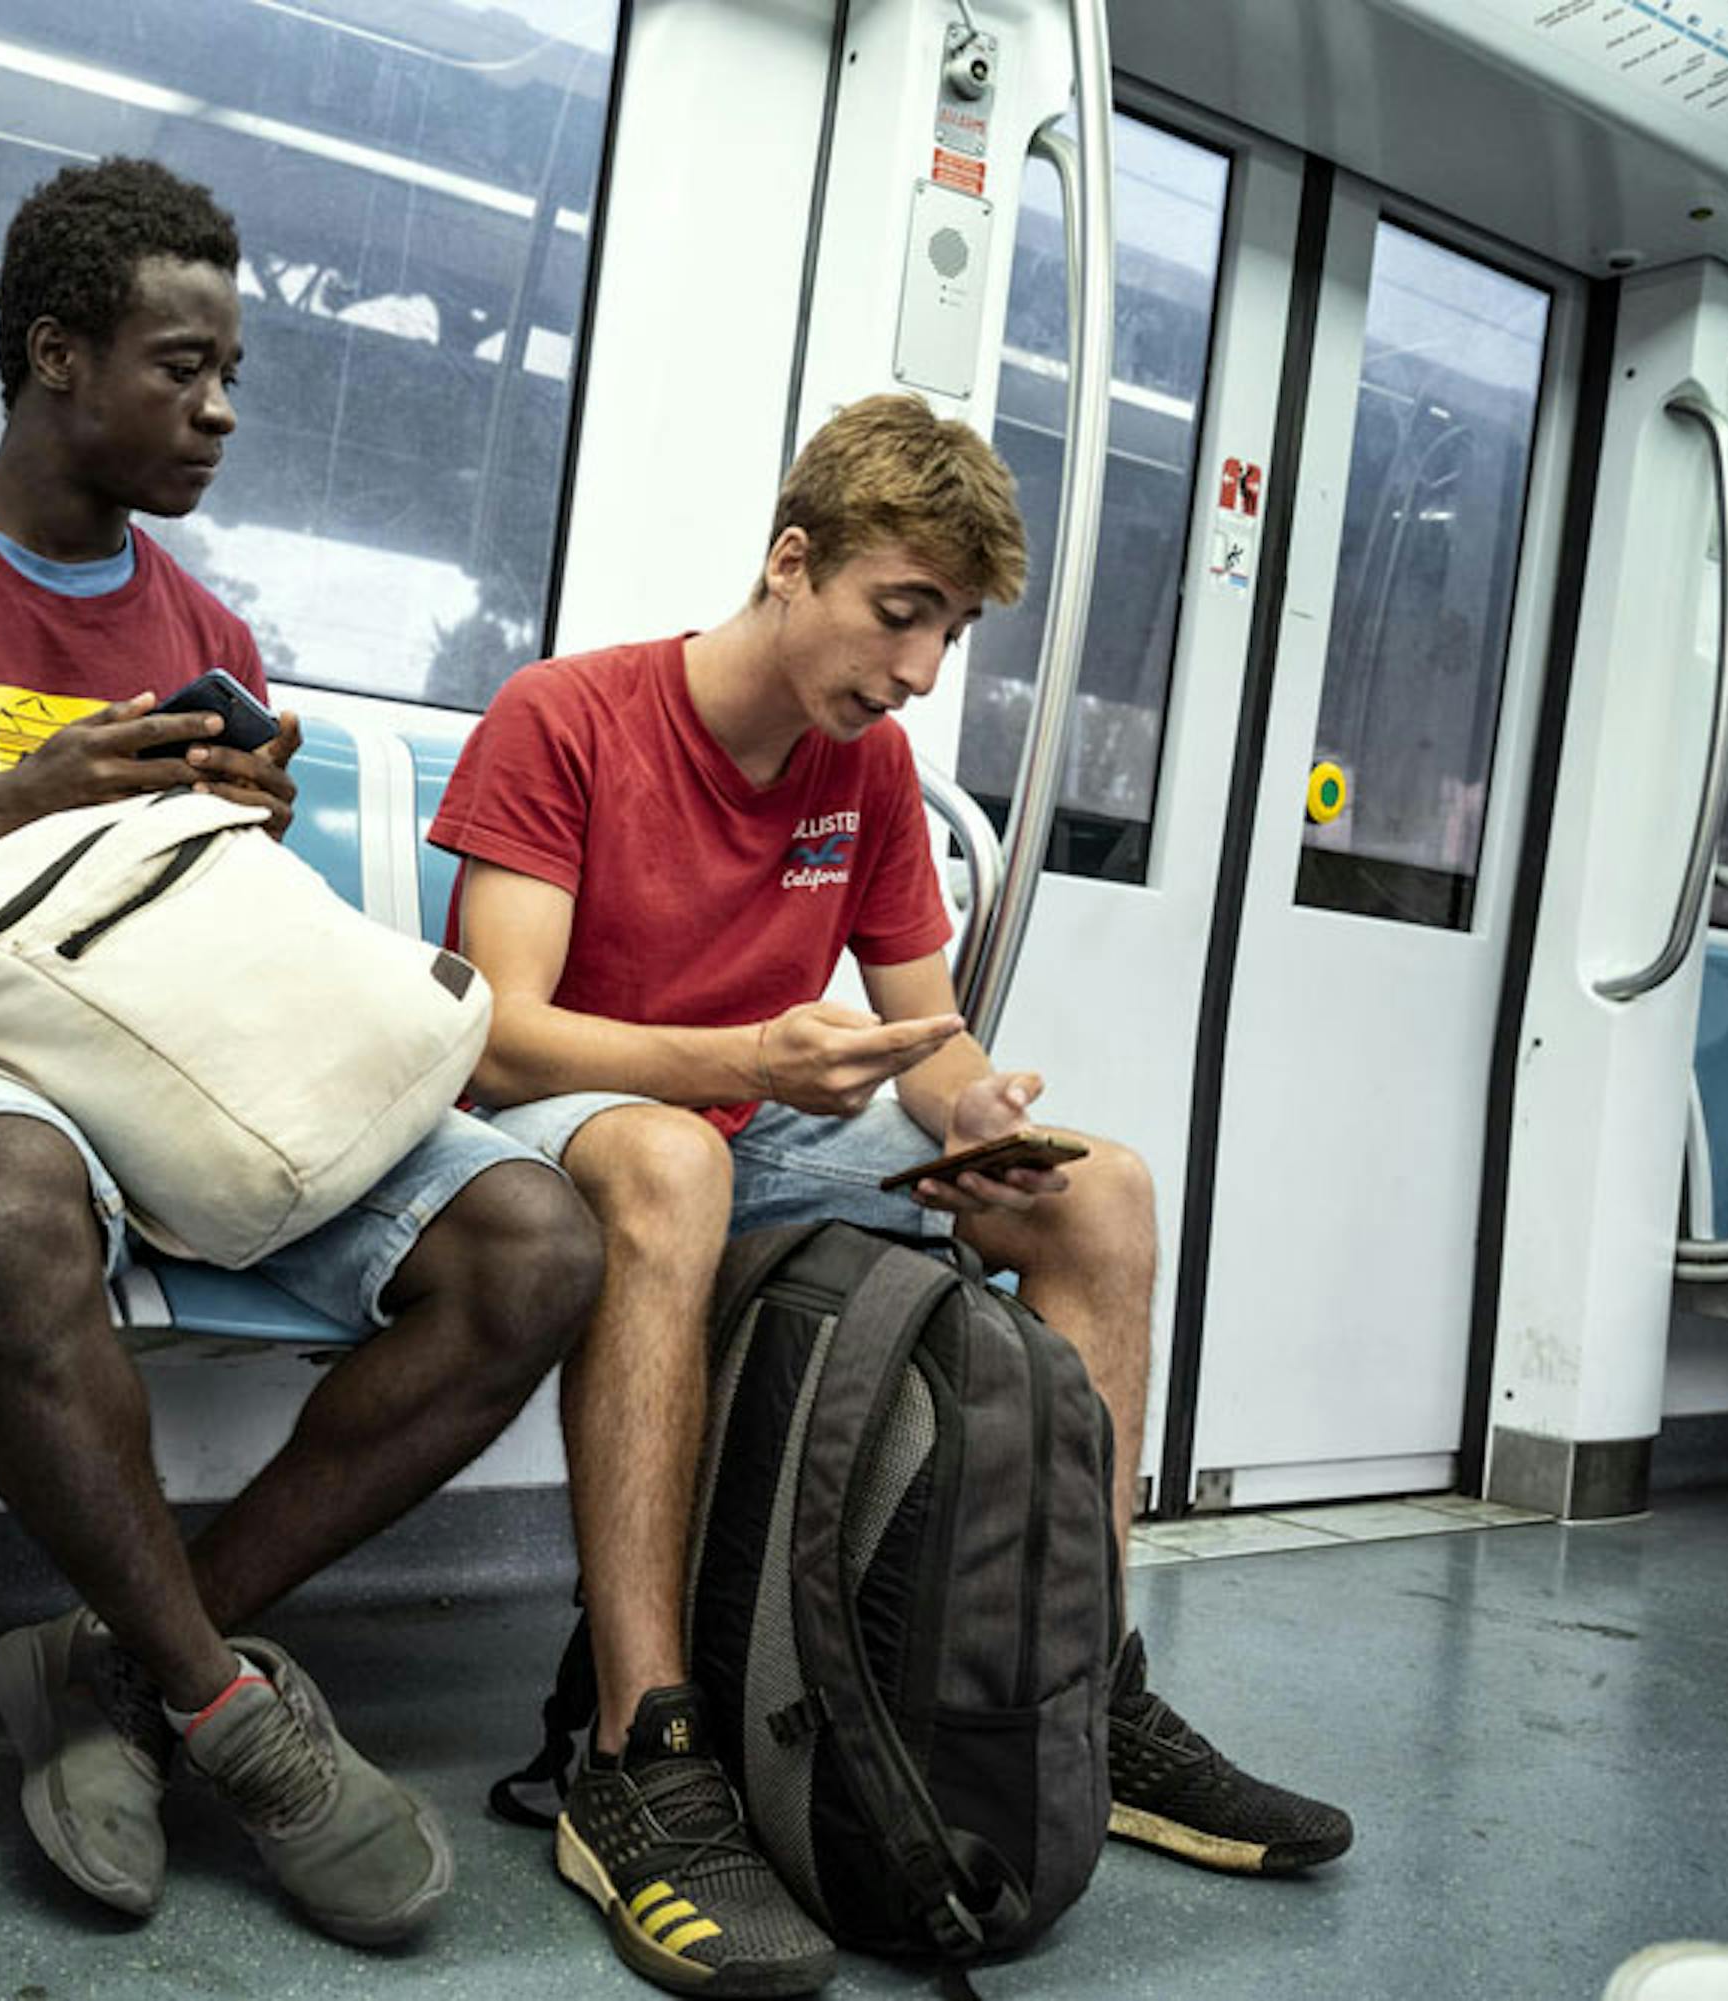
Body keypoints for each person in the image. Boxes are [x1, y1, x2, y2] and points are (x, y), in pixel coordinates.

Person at [0, 155, 604, 1948]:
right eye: (181, 369)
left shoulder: (204, 636)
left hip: (183, 1038)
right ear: (55, 357)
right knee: (5, 1205)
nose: (220, 410)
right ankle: (228, 1708)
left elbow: (212, 928)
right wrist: (6, 802)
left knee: (539, 1243)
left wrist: (241, 824)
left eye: (229, 371)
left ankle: (115, 1665)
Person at [433, 393, 1353, 1996]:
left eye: (951, 630)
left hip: (764, 1124)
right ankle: (638, 1750)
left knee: (1102, 1191)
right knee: (676, 1152)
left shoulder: (867, 770)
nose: (921, 668)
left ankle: (1081, 1682)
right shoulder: (566, 715)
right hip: (577, 1127)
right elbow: (495, 1037)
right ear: (794, 562)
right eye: (899, 612)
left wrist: (975, 1103)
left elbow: (925, 1035)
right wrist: (737, 1056)